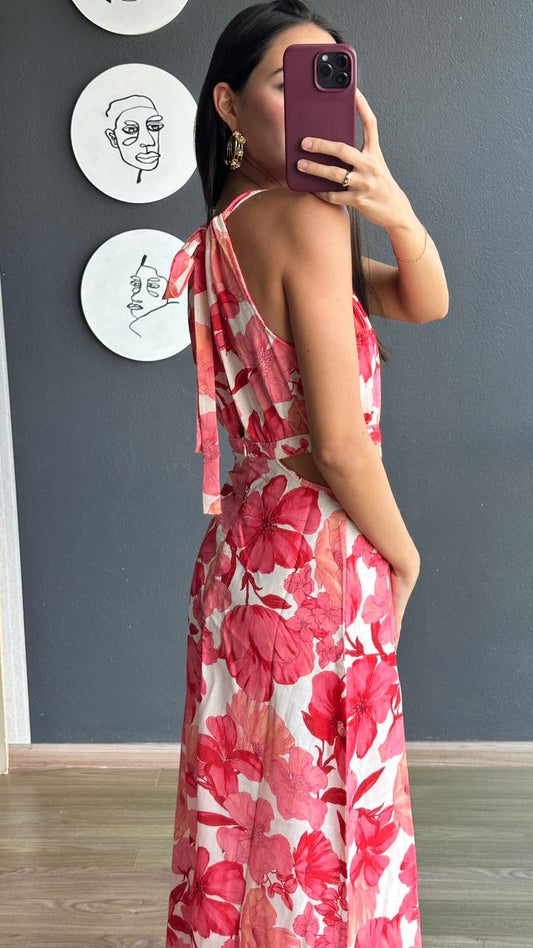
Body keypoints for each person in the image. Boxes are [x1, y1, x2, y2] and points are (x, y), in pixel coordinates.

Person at [163, 1, 448, 945]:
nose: (314, 102)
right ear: (228, 106)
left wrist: (390, 207)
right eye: (286, 82)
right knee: (326, 829)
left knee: (250, 822)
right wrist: (405, 556)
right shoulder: (305, 221)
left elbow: (420, 300)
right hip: (316, 566)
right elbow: (337, 446)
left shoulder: (225, 229)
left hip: (239, 566)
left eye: (328, 79)